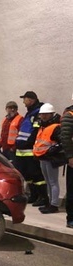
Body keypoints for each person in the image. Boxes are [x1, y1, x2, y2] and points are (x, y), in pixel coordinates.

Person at [15, 91, 48, 207]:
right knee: (26, 174)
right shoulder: (29, 113)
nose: (23, 102)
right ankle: (33, 195)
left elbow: (36, 130)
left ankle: (43, 197)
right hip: (21, 150)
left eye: (25, 99)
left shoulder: (37, 112)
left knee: (36, 174)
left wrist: (28, 143)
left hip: (29, 149)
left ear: (32, 100)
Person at [32, 103, 63, 214]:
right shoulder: (43, 126)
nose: (43, 116)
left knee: (53, 182)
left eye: (46, 114)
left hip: (51, 158)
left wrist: (53, 149)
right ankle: (50, 202)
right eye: (42, 114)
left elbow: (62, 142)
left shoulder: (56, 127)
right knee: (49, 182)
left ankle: (54, 204)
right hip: (43, 157)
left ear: (51, 114)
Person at [59, 93, 73, 228]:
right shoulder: (69, 115)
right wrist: (70, 156)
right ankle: (71, 219)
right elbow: (65, 137)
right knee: (72, 189)